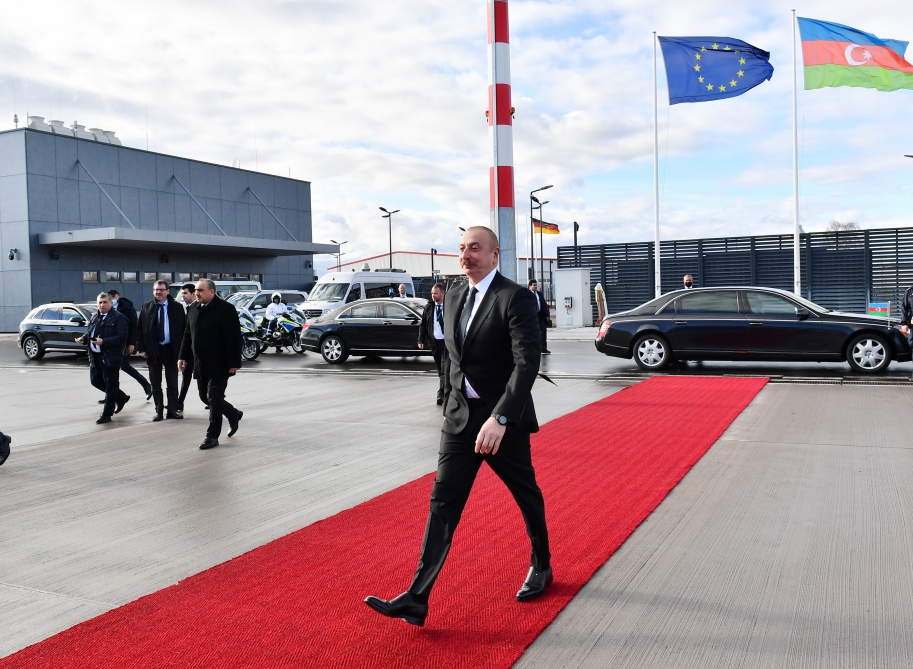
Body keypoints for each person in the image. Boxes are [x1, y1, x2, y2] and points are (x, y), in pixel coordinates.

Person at [365, 226, 551, 627]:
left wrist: (501, 417)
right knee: (443, 502)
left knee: (525, 495)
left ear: (495, 254)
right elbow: (452, 359)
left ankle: (542, 564)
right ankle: (417, 597)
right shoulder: (452, 295)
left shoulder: (514, 297)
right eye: (463, 248)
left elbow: (527, 362)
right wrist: (450, 404)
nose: (466, 255)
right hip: (459, 419)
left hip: (501, 421)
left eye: (475, 248)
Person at [178, 280, 244, 450]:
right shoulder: (193, 308)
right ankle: (233, 414)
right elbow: (188, 334)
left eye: (200, 290)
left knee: (214, 397)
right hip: (200, 363)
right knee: (205, 397)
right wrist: (182, 356)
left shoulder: (225, 309)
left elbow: (234, 338)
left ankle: (212, 436)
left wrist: (234, 362)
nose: (197, 293)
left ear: (212, 292)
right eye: (196, 290)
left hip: (220, 363)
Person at [136, 280, 187, 421]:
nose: (158, 292)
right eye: (156, 290)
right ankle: (158, 410)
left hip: (171, 350)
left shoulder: (177, 307)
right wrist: (142, 349)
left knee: (172, 383)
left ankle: (172, 410)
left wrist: (183, 352)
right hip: (154, 350)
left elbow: (184, 330)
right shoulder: (147, 307)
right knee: (155, 383)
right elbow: (140, 329)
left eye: (161, 290)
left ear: (167, 291)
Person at [76, 292, 130, 424]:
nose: (102, 305)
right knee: (95, 380)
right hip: (95, 356)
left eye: (105, 302)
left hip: (110, 356)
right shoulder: (95, 316)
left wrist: (104, 341)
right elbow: (90, 332)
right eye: (100, 303)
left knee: (111, 384)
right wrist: (84, 339)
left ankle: (107, 414)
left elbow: (122, 337)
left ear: (111, 303)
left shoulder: (118, 317)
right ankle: (121, 397)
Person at [106, 289, 152, 403]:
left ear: (118, 296)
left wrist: (131, 343)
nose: (112, 299)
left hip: (124, 342)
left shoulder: (127, 308)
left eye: (114, 296)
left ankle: (147, 386)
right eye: (110, 297)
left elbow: (134, 327)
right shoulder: (108, 308)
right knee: (110, 369)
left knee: (125, 366)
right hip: (111, 343)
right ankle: (111, 394)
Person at [417, 283, 449, 405]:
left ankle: (441, 394)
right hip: (434, 342)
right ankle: (446, 390)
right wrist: (421, 340)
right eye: (432, 293)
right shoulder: (429, 307)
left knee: (445, 368)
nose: (433, 295)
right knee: (440, 369)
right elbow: (423, 325)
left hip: (447, 343)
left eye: (435, 293)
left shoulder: (449, 306)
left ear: (442, 293)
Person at [176, 283, 197, 412]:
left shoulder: (197, 308)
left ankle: (211, 398)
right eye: (182, 293)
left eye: (185, 293)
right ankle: (180, 402)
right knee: (186, 374)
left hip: (197, 349)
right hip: (188, 349)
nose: (183, 295)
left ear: (193, 293)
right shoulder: (188, 308)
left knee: (201, 377)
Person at [528, 279, 551, 354]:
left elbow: (544, 305)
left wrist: (546, 315)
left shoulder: (539, 294)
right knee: (533, 332)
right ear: (530, 286)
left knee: (543, 330)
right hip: (532, 316)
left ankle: (543, 348)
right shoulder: (527, 294)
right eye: (534, 285)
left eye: (536, 285)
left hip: (540, 315)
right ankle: (532, 348)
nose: (535, 286)